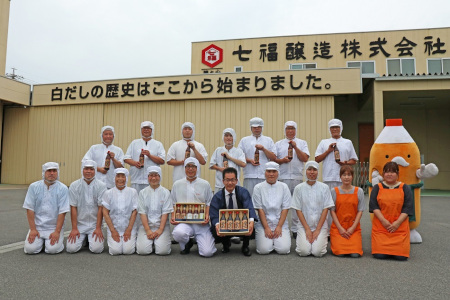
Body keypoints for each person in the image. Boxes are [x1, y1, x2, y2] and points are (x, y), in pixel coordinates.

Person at [314, 119, 358, 230]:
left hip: (343, 179)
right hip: (328, 178)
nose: (335, 130)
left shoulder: (347, 142)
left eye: (337, 127)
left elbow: (354, 160)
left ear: (341, 129)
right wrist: (328, 151)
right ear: (329, 129)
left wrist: (345, 163)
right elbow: (317, 159)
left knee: (343, 204)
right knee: (328, 205)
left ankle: (343, 227)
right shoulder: (324, 142)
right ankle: (328, 230)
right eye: (332, 128)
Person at [170, 158, 217, 257]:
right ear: (184, 168)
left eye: (193, 167)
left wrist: (207, 216)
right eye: (188, 166)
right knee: (178, 233)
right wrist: (174, 217)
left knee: (207, 253)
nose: (190, 169)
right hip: (184, 223)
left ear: (197, 168)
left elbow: (208, 203)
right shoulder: (177, 184)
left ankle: (198, 240)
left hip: (201, 224)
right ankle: (187, 242)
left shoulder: (205, 184)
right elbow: (174, 204)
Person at [369, 161, 413, 261]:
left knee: (401, 257)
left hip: (399, 227)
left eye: (393, 172)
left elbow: (407, 207)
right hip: (381, 227)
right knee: (380, 256)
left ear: (397, 174)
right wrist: (384, 221)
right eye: (387, 172)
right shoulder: (377, 188)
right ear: (383, 174)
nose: (389, 174)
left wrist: (397, 223)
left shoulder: (405, 188)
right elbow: (374, 206)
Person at [23, 162, 69, 254]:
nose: (52, 173)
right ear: (44, 172)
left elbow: (62, 211)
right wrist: (33, 229)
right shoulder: (34, 187)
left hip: (53, 227)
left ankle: (51, 241)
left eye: (54, 171)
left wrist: (57, 231)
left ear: (57, 172)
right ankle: (41, 241)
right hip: (37, 226)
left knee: (52, 250)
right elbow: (29, 208)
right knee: (30, 250)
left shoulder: (63, 188)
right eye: (49, 171)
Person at [209, 167, 257, 256]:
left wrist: (251, 222)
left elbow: (249, 207)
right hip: (225, 223)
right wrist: (217, 225)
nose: (230, 183)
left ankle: (245, 246)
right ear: (223, 181)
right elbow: (214, 214)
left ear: (236, 180)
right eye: (227, 180)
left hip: (241, 222)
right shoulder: (217, 196)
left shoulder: (243, 192)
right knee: (214, 230)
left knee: (251, 225)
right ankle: (226, 244)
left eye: (232, 180)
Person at [274, 121, 309, 239]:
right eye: (288, 128)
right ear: (284, 130)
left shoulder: (302, 143)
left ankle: (295, 228)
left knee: (296, 205)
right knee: (280, 203)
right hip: (282, 177)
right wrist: (282, 160)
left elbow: (304, 158)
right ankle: (280, 226)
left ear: (296, 130)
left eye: (292, 129)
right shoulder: (278, 144)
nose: (290, 131)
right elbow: (273, 159)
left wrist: (295, 147)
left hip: (296, 177)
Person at [291, 161, 334, 257]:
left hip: (321, 226)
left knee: (317, 252)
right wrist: (307, 229)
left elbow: (325, 209)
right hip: (304, 226)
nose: (312, 172)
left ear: (318, 172)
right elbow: (298, 210)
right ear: (305, 171)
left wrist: (318, 230)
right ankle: (307, 240)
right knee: (303, 251)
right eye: (309, 169)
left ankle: (319, 239)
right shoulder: (299, 188)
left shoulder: (324, 187)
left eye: (314, 169)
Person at [66, 160, 107, 254]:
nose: (88, 171)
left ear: (95, 171)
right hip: (80, 225)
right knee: (71, 249)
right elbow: (73, 207)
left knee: (96, 250)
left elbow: (101, 207)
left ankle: (89, 238)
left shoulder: (101, 186)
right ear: (82, 170)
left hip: (94, 225)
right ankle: (84, 238)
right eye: (86, 169)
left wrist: (98, 228)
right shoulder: (74, 185)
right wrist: (74, 228)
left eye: (91, 169)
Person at [253, 162, 291, 255]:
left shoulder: (284, 187)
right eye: (268, 171)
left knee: (284, 250)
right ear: (264, 172)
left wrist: (279, 226)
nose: (271, 174)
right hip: (263, 224)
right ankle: (270, 242)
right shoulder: (258, 187)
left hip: (280, 223)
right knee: (263, 250)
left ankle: (275, 241)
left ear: (278, 173)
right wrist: (266, 227)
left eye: (274, 171)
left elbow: (285, 208)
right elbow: (259, 209)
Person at [136, 166, 173, 255]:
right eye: (151, 175)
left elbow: (165, 213)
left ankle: (156, 242)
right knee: (143, 251)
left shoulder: (165, 192)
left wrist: (160, 230)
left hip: (162, 226)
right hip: (145, 227)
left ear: (160, 177)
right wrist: (148, 230)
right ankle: (151, 242)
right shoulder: (142, 192)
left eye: (156, 175)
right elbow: (142, 213)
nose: (153, 178)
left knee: (163, 251)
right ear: (147, 177)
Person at [329, 165, 364, 258]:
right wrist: (340, 228)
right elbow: (332, 211)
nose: (346, 177)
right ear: (340, 176)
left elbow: (360, 211)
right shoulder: (334, 191)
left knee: (355, 254)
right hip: (338, 227)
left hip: (353, 228)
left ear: (353, 176)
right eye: (344, 175)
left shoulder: (359, 191)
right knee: (340, 253)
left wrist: (352, 228)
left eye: (349, 175)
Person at [102, 168, 138, 255]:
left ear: (126, 178)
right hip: (114, 228)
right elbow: (105, 213)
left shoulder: (132, 192)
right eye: (118, 176)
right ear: (114, 178)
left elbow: (134, 212)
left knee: (128, 251)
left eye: (123, 176)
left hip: (129, 228)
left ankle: (133, 236)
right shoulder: (108, 193)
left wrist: (129, 230)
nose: (120, 179)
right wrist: (113, 231)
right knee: (115, 251)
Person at [124, 121, 166, 194]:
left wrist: (150, 155)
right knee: (136, 201)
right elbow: (126, 158)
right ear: (141, 130)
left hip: (152, 180)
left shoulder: (158, 144)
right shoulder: (134, 143)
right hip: (136, 179)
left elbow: (162, 161)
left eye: (148, 128)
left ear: (152, 130)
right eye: (144, 128)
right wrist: (135, 163)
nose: (146, 130)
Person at [238, 117, 276, 196]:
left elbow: (273, 157)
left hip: (264, 176)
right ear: (251, 128)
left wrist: (263, 149)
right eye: (254, 127)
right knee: (249, 197)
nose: (256, 129)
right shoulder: (244, 140)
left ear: (262, 128)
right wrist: (249, 160)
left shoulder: (268, 140)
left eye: (259, 127)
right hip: (249, 175)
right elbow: (238, 157)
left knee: (264, 198)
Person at [209, 128, 246, 194]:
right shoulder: (218, 150)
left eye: (230, 136)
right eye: (226, 136)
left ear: (234, 137)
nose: (228, 138)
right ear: (223, 137)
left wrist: (229, 157)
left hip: (234, 184)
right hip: (220, 184)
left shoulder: (238, 151)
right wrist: (220, 169)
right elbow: (211, 165)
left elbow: (243, 164)